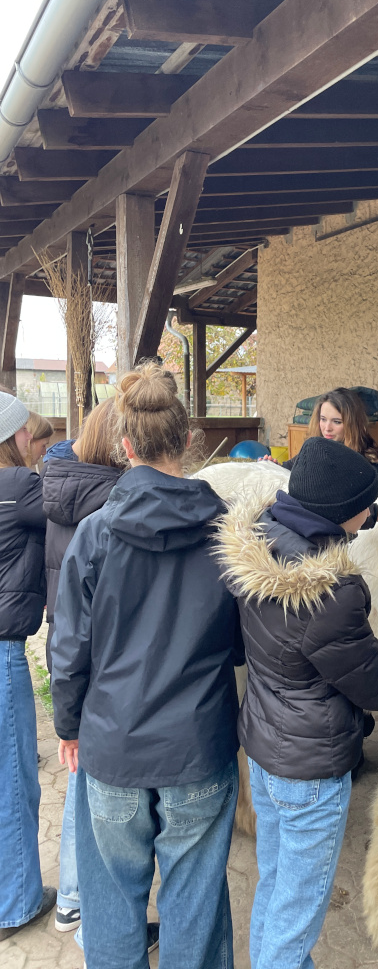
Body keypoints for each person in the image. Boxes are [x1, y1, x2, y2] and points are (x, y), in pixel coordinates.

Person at [50, 364, 242, 969]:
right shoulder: (231, 534)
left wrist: (67, 725)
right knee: (197, 903)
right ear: (188, 440)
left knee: (109, 902)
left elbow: (68, 645)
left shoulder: (94, 533)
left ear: (125, 447)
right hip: (198, 746)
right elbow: (244, 640)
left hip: (113, 746)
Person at [217, 436, 378, 969]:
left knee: (276, 888)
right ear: (343, 515)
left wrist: (376, 513)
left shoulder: (257, 543)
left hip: (265, 755)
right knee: (297, 913)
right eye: (366, 505)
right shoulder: (331, 596)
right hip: (310, 773)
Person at [41, 399, 124, 938]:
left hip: (70, 655)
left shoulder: (55, 485)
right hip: (108, 664)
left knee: (79, 779)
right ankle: (87, 901)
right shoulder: (112, 502)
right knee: (98, 792)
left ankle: (71, 895)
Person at [0, 392, 56, 941]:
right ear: (15, 437)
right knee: (15, 782)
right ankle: (16, 903)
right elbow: (80, 505)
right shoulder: (17, 487)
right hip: (0, 654)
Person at [283, 387, 378, 534]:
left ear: (353, 423)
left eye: (337, 422)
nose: (327, 428)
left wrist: (377, 513)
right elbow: (285, 472)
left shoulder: (372, 463)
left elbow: (353, 509)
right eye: (323, 419)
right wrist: (270, 465)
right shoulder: (314, 454)